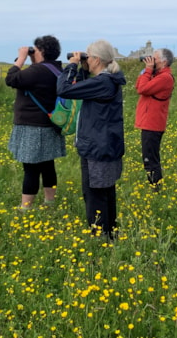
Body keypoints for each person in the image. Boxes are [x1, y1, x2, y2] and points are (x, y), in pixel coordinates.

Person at [57, 40, 126, 240]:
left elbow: (64, 90)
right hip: (103, 144)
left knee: (95, 194)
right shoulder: (106, 80)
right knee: (105, 191)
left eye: (88, 55)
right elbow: (82, 86)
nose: (85, 58)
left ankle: (100, 236)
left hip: (98, 146)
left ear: (96, 59)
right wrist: (83, 69)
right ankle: (110, 232)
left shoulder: (103, 83)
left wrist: (71, 65)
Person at [5, 35, 66, 210]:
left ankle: (26, 207)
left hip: (32, 126)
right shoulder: (57, 70)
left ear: (42, 51)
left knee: (31, 168)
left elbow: (11, 79)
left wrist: (21, 59)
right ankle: (49, 202)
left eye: (35, 49)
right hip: (51, 124)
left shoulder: (38, 71)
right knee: (48, 165)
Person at [134, 49, 175, 191]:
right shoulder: (157, 75)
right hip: (149, 122)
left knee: (150, 159)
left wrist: (148, 70)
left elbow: (142, 89)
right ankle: (156, 187)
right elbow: (138, 86)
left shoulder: (165, 78)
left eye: (154, 58)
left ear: (163, 62)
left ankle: (156, 189)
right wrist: (147, 71)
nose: (151, 60)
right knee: (150, 157)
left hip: (153, 123)